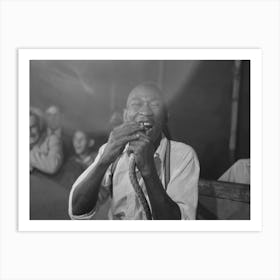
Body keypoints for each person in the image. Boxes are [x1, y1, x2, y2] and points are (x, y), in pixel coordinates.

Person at [68, 83, 200, 220]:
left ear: (166, 115)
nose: (145, 111)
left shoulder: (183, 155)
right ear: (125, 115)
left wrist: (148, 170)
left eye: (154, 105)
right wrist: (103, 161)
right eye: (136, 104)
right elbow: (78, 212)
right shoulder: (112, 150)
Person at [30, 107, 63, 174]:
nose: (29, 133)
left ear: (40, 126)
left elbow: (52, 166)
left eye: (33, 127)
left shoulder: (52, 140)